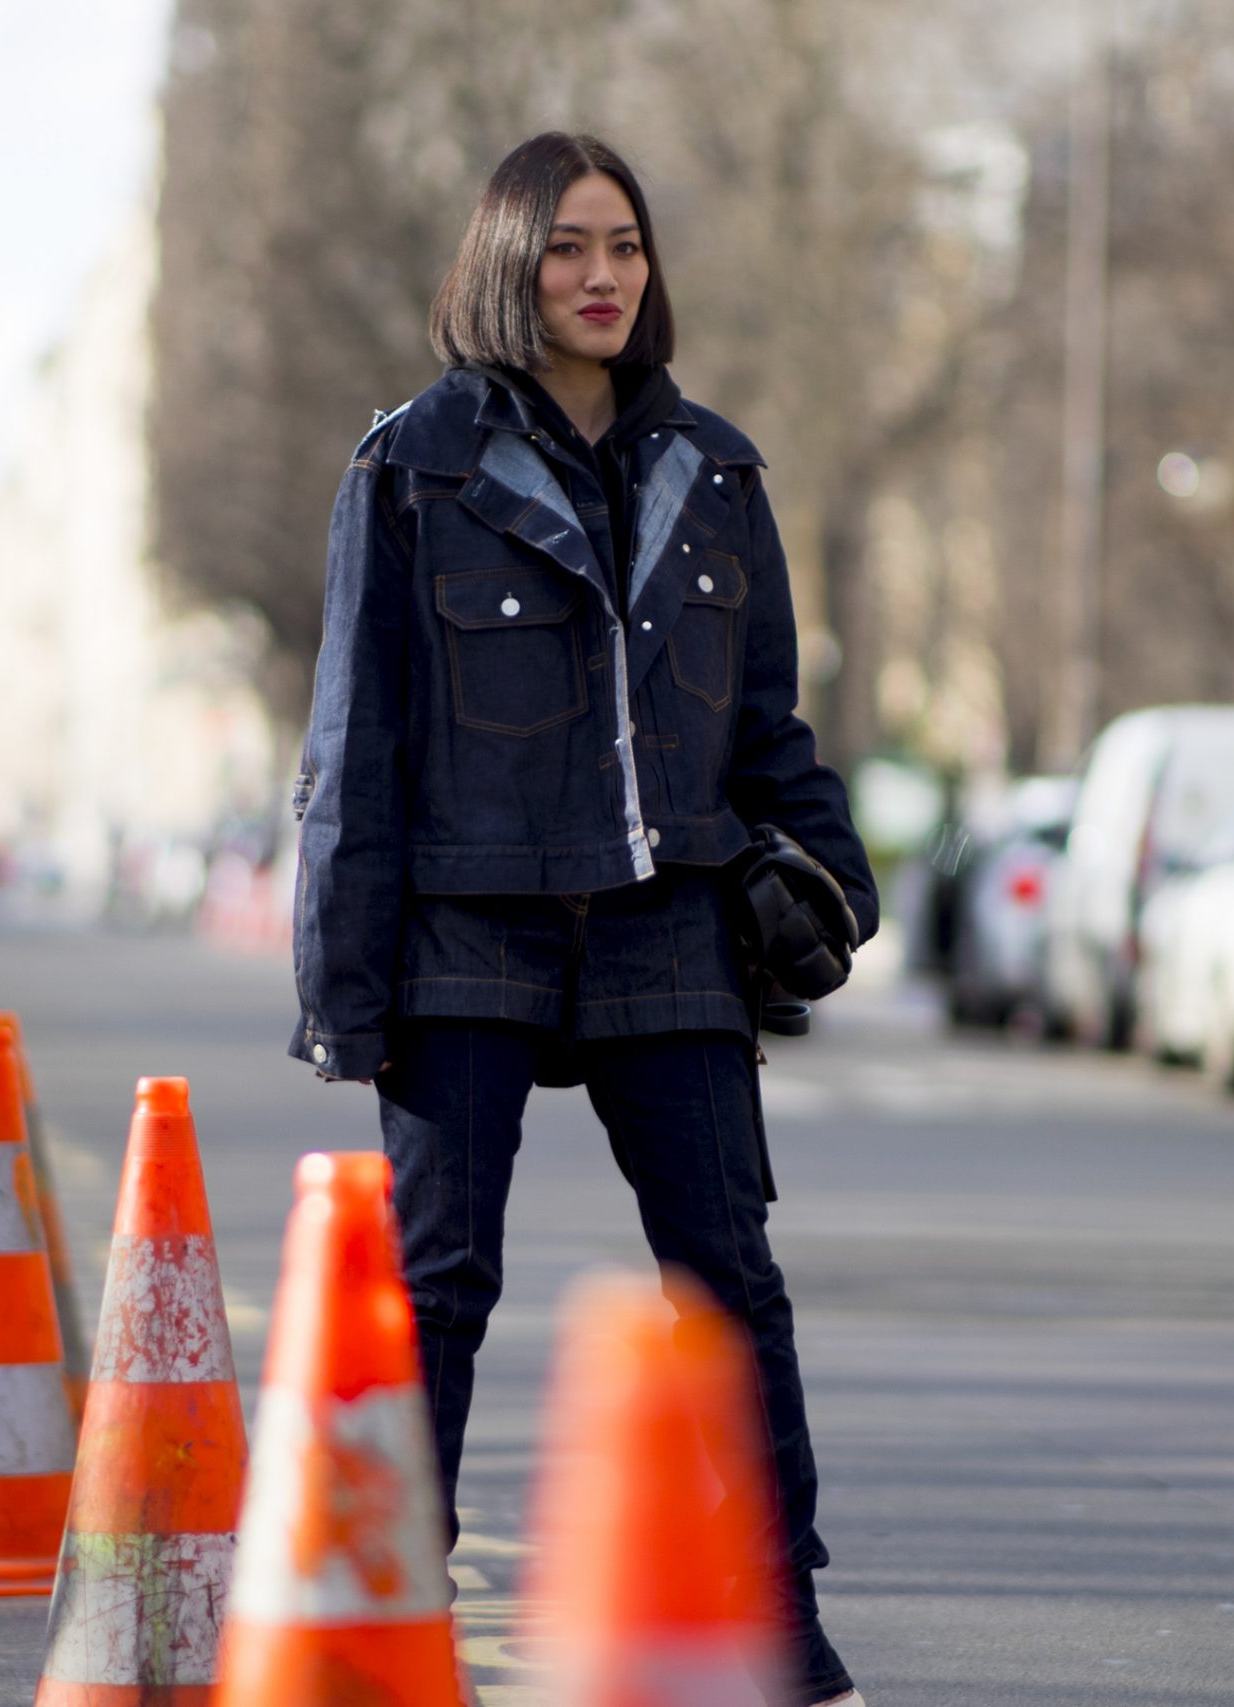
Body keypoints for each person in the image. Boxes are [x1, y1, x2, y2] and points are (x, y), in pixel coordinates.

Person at [288, 131, 876, 1705]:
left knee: (727, 1278)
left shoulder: (719, 472)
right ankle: (381, 1623)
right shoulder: (411, 466)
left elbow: (768, 729)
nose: (602, 275)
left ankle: (782, 1625)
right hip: (464, 927)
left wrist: (838, 877)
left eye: (623, 244)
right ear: (504, 265)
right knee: (436, 1287)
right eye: (566, 248)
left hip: (667, 928)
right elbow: (356, 740)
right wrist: (343, 985)